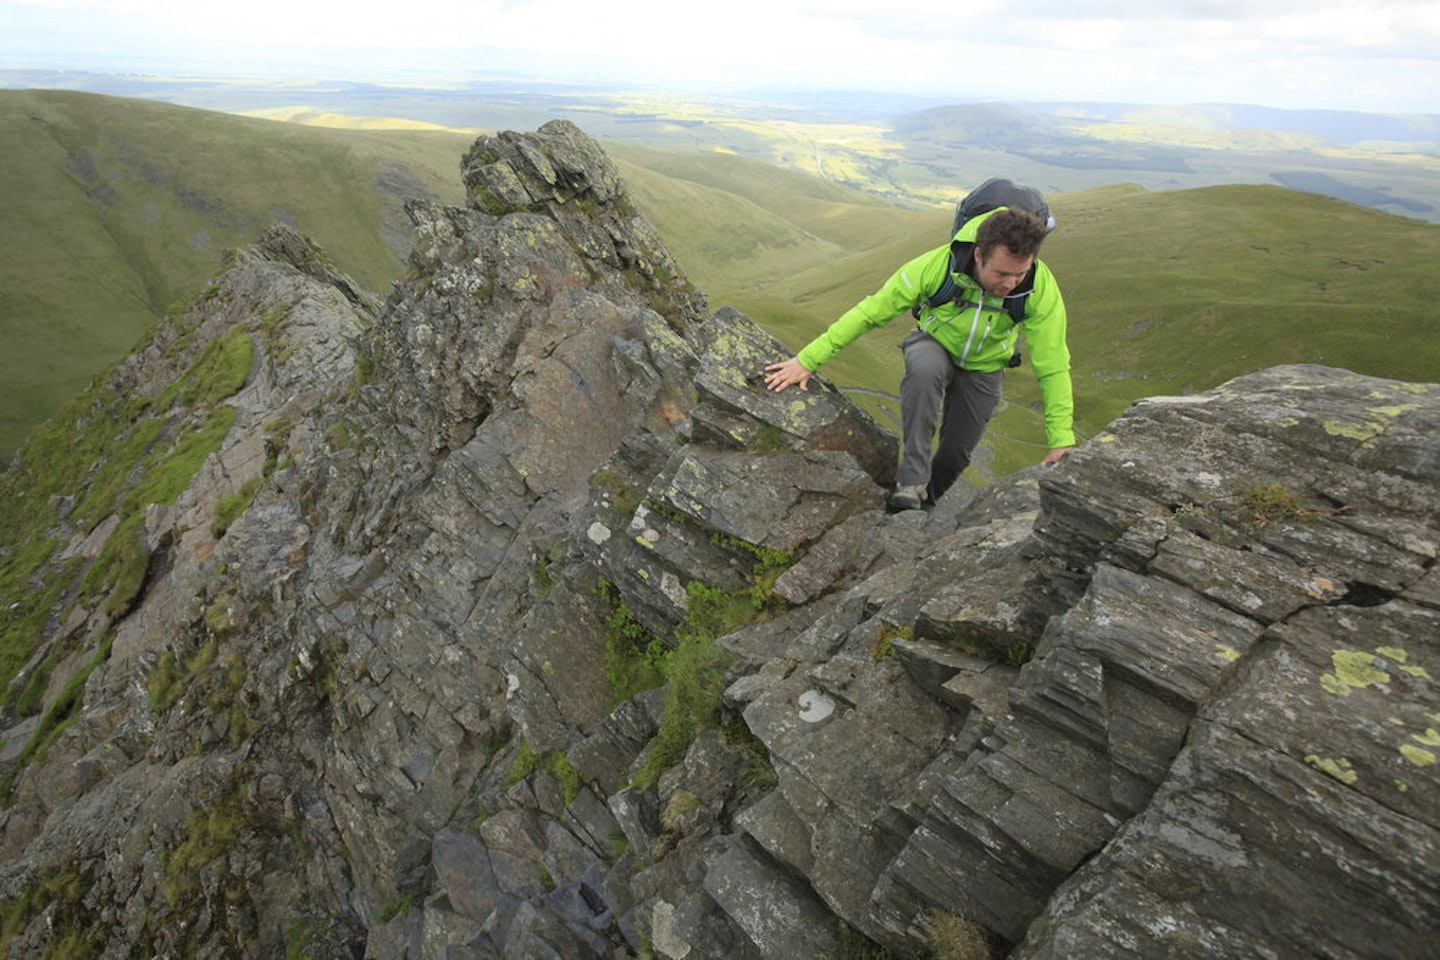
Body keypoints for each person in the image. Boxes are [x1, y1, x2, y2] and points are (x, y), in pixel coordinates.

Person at [763, 204, 1074, 512]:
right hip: (933, 342)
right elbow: (869, 313)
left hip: (986, 366)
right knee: (925, 371)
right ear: (978, 255)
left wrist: (1061, 438)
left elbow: (1053, 364)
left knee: (957, 453)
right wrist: (807, 361)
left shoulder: (1039, 288)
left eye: (1020, 274)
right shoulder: (936, 267)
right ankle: (910, 483)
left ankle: (924, 506)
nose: (1009, 284)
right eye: (1001, 274)